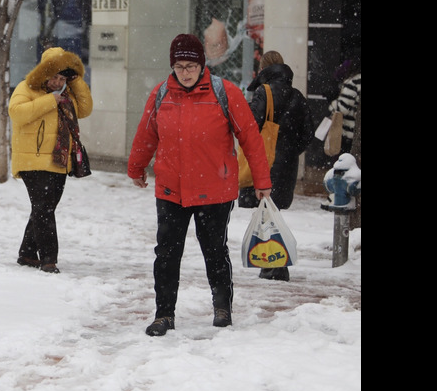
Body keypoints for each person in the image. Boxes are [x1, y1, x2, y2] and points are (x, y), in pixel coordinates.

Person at [128, 34, 272, 336]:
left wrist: (262, 180)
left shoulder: (224, 93)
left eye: (191, 65)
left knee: (214, 251)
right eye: (179, 66)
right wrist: (136, 167)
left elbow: (250, 137)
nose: (185, 71)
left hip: (214, 190)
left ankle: (222, 309)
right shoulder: (161, 94)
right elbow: (146, 135)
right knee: (166, 253)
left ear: (201, 64)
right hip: (171, 189)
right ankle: (164, 314)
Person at [9, 47, 93, 274]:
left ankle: (27, 253)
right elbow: (16, 112)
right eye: (54, 76)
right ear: (44, 72)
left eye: (62, 77)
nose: (58, 82)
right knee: (44, 209)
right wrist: (49, 101)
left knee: (43, 208)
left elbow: (85, 109)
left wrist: (75, 82)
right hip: (32, 161)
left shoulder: (67, 95)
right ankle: (49, 260)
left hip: (58, 161)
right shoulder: (26, 87)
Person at [238, 51, 314, 282]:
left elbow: (250, 126)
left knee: (265, 213)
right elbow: (308, 133)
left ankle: (273, 264)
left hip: (265, 161)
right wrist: (289, 151)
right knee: (272, 212)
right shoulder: (297, 95)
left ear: (264, 68)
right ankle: (273, 263)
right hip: (286, 163)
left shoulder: (264, 92)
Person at [328, 56, 361, 156]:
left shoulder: (354, 81)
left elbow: (342, 108)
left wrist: (332, 104)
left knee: (345, 163)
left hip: (350, 134)